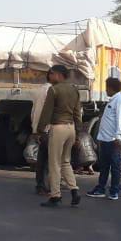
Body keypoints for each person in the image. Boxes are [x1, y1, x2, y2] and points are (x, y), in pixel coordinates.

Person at [35, 64, 83, 207]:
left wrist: (39, 130)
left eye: (51, 74)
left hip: (58, 128)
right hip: (71, 128)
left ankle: (55, 195)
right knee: (65, 161)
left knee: (54, 163)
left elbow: (46, 112)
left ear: (58, 75)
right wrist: (78, 133)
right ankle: (74, 190)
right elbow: (77, 114)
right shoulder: (74, 90)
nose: (50, 76)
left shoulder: (54, 90)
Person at [88, 77, 121, 200]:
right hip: (106, 139)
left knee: (114, 166)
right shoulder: (112, 100)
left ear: (111, 88)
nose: (106, 90)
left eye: (107, 88)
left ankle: (114, 191)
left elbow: (120, 120)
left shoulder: (120, 101)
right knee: (104, 166)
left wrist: (119, 137)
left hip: (113, 140)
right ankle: (101, 188)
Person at [31, 82, 51, 195]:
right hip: (48, 130)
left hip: (44, 130)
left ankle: (41, 185)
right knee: (47, 160)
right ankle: (44, 186)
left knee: (43, 159)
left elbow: (35, 112)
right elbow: (39, 112)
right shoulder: (50, 91)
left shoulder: (41, 90)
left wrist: (35, 129)